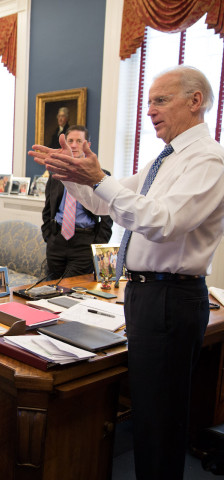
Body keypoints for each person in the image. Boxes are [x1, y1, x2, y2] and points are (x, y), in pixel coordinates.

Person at [29, 65, 224, 479]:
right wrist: (75, 177)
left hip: (171, 297)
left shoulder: (209, 160)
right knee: (150, 412)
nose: (150, 110)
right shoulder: (165, 158)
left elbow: (162, 221)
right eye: (148, 101)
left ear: (195, 101)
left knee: (160, 421)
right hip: (145, 295)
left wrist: (99, 178)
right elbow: (106, 203)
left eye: (160, 100)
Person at [41, 126, 113, 278]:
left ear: (87, 145)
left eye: (79, 141)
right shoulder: (55, 174)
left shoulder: (100, 175)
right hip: (57, 240)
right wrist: (48, 234)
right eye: (70, 141)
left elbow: (108, 215)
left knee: (72, 290)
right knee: (51, 289)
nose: (73, 145)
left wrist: (98, 243)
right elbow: (47, 208)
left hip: (84, 242)